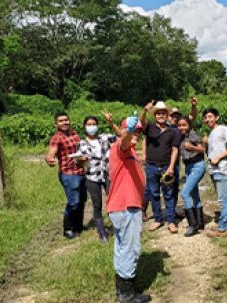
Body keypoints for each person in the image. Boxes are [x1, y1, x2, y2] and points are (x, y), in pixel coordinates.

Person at [107, 113, 152, 303]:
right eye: (134, 130)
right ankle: (127, 295)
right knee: (130, 249)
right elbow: (124, 139)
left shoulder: (131, 151)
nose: (137, 134)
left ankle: (122, 290)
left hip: (125, 206)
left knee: (122, 247)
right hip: (125, 207)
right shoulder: (122, 147)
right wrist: (129, 130)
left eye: (139, 132)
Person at [77, 110, 122, 243]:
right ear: (85, 127)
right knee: (97, 204)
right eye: (89, 124)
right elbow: (78, 163)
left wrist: (111, 123)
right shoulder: (81, 144)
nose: (91, 126)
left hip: (108, 174)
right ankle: (102, 233)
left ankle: (118, 228)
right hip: (92, 177)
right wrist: (82, 159)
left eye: (94, 124)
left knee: (113, 201)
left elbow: (121, 136)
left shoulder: (104, 137)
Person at [139, 101, 180, 233]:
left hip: (166, 167)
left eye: (163, 113)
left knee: (169, 194)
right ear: (154, 115)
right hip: (151, 166)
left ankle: (171, 221)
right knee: (154, 194)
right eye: (158, 113)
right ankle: (158, 219)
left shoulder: (172, 132)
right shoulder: (149, 128)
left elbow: (175, 150)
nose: (161, 116)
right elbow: (141, 122)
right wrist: (144, 110)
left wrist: (171, 167)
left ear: (167, 115)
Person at [46, 112, 87, 239]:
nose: (64, 123)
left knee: (82, 201)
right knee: (73, 202)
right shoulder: (56, 138)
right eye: (61, 121)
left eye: (66, 120)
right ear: (56, 124)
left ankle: (78, 226)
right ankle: (68, 229)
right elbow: (50, 154)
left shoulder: (74, 134)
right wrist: (49, 159)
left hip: (80, 172)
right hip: (68, 174)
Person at [202, 108, 227, 238]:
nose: (207, 120)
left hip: (221, 169)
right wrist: (206, 144)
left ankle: (222, 229)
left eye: (210, 117)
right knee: (220, 199)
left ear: (217, 117)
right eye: (205, 117)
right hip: (213, 170)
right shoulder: (211, 134)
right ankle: (222, 223)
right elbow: (209, 153)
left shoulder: (223, 129)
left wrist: (218, 158)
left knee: (223, 200)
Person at [177, 116, 206, 237]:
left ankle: (192, 224)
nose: (182, 127)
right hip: (188, 167)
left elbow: (202, 149)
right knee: (194, 194)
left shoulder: (192, 134)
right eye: (179, 125)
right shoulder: (182, 137)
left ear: (189, 126)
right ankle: (200, 222)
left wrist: (191, 147)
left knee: (184, 193)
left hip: (197, 165)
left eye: (184, 125)